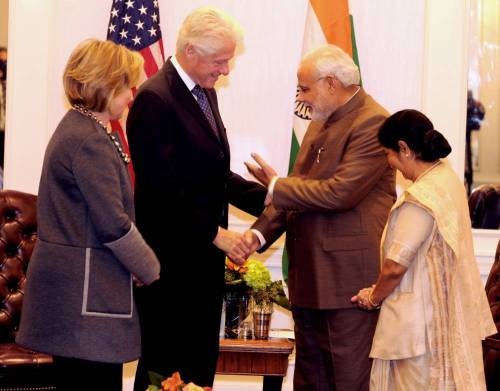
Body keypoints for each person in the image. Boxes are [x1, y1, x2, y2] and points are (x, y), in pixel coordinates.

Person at [126, 7, 267, 389]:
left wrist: (273, 199)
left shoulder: (203, 93)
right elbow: (159, 190)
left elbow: (215, 175)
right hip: (170, 265)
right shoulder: (155, 98)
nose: (226, 70)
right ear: (191, 51)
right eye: (220, 61)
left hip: (201, 265)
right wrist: (213, 232)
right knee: (164, 369)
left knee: (198, 367)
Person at [244, 44, 396, 391]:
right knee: (310, 383)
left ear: (331, 84)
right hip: (309, 279)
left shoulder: (374, 122)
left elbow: (339, 193)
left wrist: (276, 185)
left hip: (348, 287)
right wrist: (256, 236)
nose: (301, 97)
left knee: (347, 381)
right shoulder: (321, 122)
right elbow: (296, 192)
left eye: (305, 88)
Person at [16, 39, 161, 391]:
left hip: (78, 296)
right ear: (105, 83)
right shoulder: (89, 139)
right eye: (127, 85)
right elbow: (113, 224)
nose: (131, 95)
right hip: (84, 300)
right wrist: (149, 268)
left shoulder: (81, 129)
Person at [351, 109, 496, 391]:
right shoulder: (448, 180)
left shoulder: (421, 198)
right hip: (440, 319)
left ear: (403, 148)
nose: (390, 163)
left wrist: (373, 297)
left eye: (388, 154)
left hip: (419, 333)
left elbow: (395, 267)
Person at [465, 89, 485, 195]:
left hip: (466, 141)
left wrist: (478, 106)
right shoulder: (464, 107)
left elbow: (478, 122)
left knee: (468, 165)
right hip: (464, 142)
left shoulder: (474, 106)